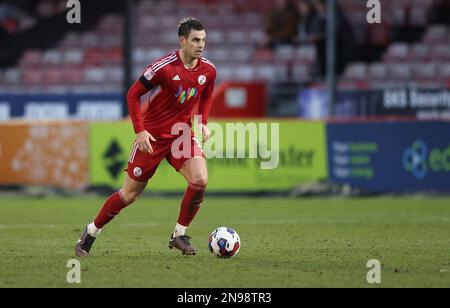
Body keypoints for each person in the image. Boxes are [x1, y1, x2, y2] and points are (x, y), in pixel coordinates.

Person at [75, 17, 216, 257]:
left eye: (203, 40)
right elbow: (133, 94)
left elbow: (206, 96)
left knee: (200, 180)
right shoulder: (163, 68)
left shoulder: (208, 70)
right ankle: (91, 231)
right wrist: (139, 130)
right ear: (182, 41)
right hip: (152, 137)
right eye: (195, 40)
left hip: (181, 136)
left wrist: (201, 122)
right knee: (128, 195)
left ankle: (179, 234)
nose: (200, 45)